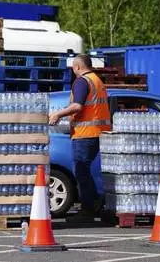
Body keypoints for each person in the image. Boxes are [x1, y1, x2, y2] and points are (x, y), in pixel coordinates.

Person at [48, 54, 111, 222]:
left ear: (77, 67)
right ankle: (94, 203)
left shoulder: (82, 82)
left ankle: (88, 209)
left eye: (73, 68)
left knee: (81, 171)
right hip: (96, 132)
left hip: (85, 134)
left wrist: (58, 114)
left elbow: (77, 106)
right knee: (84, 171)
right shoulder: (96, 80)